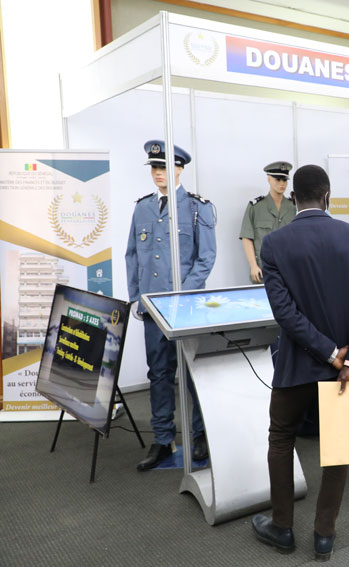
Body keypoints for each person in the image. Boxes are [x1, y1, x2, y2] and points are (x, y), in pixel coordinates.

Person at [251, 165, 349, 561]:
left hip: (295, 366)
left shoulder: (273, 245)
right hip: (346, 371)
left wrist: (327, 351)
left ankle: (282, 528)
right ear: (328, 195)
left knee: (280, 438)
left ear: (293, 199)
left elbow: (285, 314)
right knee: (338, 448)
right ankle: (325, 534)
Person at [126, 139, 216, 471]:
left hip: (186, 308)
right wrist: (138, 297)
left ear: (179, 169)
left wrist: (182, 296)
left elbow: (205, 259)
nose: (158, 173)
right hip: (153, 308)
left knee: (193, 374)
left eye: (164, 167)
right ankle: (163, 439)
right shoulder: (142, 207)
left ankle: (201, 435)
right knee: (159, 374)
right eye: (154, 167)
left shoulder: (196, 207)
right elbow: (132, 255)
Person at [240, 161, 296, 283]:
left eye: (285, 180)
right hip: (264, 271)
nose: (282, 184)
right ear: (269, 179)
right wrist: (253, 266)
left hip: (290, 271)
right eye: (278, 179)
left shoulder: (294, 208)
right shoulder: (255, 207)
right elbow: (247, 237)